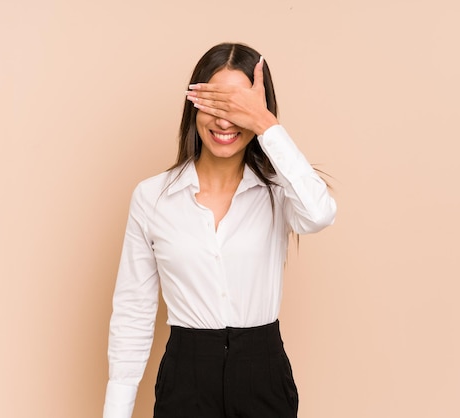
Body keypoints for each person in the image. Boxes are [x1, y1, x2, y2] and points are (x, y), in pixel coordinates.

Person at [103, 42, 337, 418]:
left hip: (264, 376)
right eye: (216, 104)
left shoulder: (280, 192)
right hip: (185, 379)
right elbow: (133, 310)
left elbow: (321, 213)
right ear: (193, 105)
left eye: (239, 107)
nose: (226, 121)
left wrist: (266, 125)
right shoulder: (152, 198)